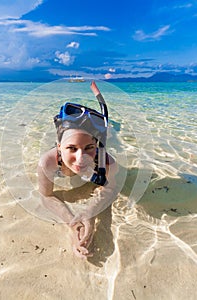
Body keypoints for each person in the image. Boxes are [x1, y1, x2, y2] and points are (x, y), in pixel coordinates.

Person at [37, 81, 119, 259]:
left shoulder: (108, 164)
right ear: (59, 147)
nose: (81, 158)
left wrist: (90, 212)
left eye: (89, 147)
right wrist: (73, 223)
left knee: (112, 131)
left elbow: (111, 189)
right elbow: (46, 195)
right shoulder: (47, 163)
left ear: (97, 145)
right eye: (72, 148)